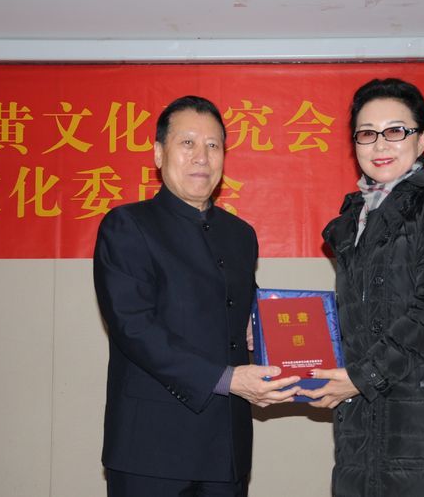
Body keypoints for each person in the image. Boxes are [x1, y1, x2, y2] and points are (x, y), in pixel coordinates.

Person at [93, 95, 300, 497]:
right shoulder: (128, 225)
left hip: (226, 450)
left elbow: (244, 310)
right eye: (187, 143)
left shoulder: (240, 235)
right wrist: (227, 379)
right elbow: (133, 327)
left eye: (213, 145)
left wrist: (261, 328)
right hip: (151, 450)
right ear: (159, 154)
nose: (201, 157)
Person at [298, 78, 424, 496]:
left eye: (395, 131)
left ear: (421, 141)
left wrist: (362, 376)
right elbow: (361, 323)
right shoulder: (356, 221)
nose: (380, 144)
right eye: (367, 134)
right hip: (361, 425)